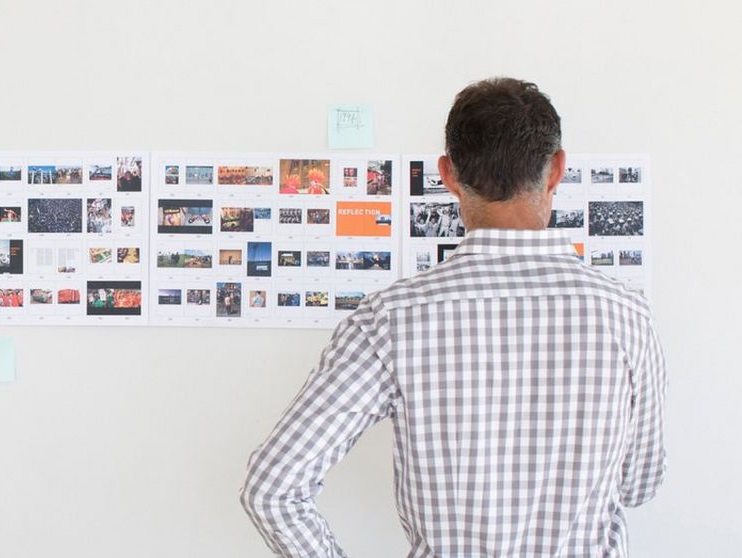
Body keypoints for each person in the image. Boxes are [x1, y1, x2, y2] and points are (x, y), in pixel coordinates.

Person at [240, 77, 667, 557]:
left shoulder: (391, 321)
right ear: (556, 171)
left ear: (448, 173)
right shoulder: (625, 315)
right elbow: (637, 486)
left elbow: (272, 489)